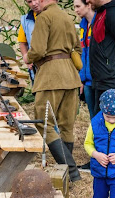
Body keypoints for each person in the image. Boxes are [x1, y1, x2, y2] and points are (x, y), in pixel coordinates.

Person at [26, 0, 82, 182]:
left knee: (43, 123)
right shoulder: (67, 17)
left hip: (50, 77)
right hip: (71, 76)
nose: (33, 4)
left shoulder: (44, 18)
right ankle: (69, 174)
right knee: (66, 126)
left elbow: (38, 50)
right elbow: (78, 49)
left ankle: (71, 172)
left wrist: (28, 57)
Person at [75, 0, 96, 119]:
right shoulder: (83, 25)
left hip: (100, 79)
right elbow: (83, 54)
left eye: (78, 6)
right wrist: (81, 77)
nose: (76, 10)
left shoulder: (100, 23)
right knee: (93, 116)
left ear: (88, 5)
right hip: (87, 80)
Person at [18, 0, 41, 83]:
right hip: (35, 70)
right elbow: (23, 43)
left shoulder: (52, 16)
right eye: (29, 1)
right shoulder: (25, 20)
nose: (34, 4)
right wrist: (26, 58)